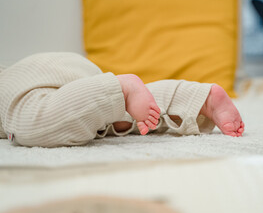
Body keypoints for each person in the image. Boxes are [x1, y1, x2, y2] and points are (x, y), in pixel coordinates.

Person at [0, 53, 244, 147]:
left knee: (31, 125)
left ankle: (122, 89)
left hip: (20, 82)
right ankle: (199, 98)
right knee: (116, 119)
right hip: (57, 74)